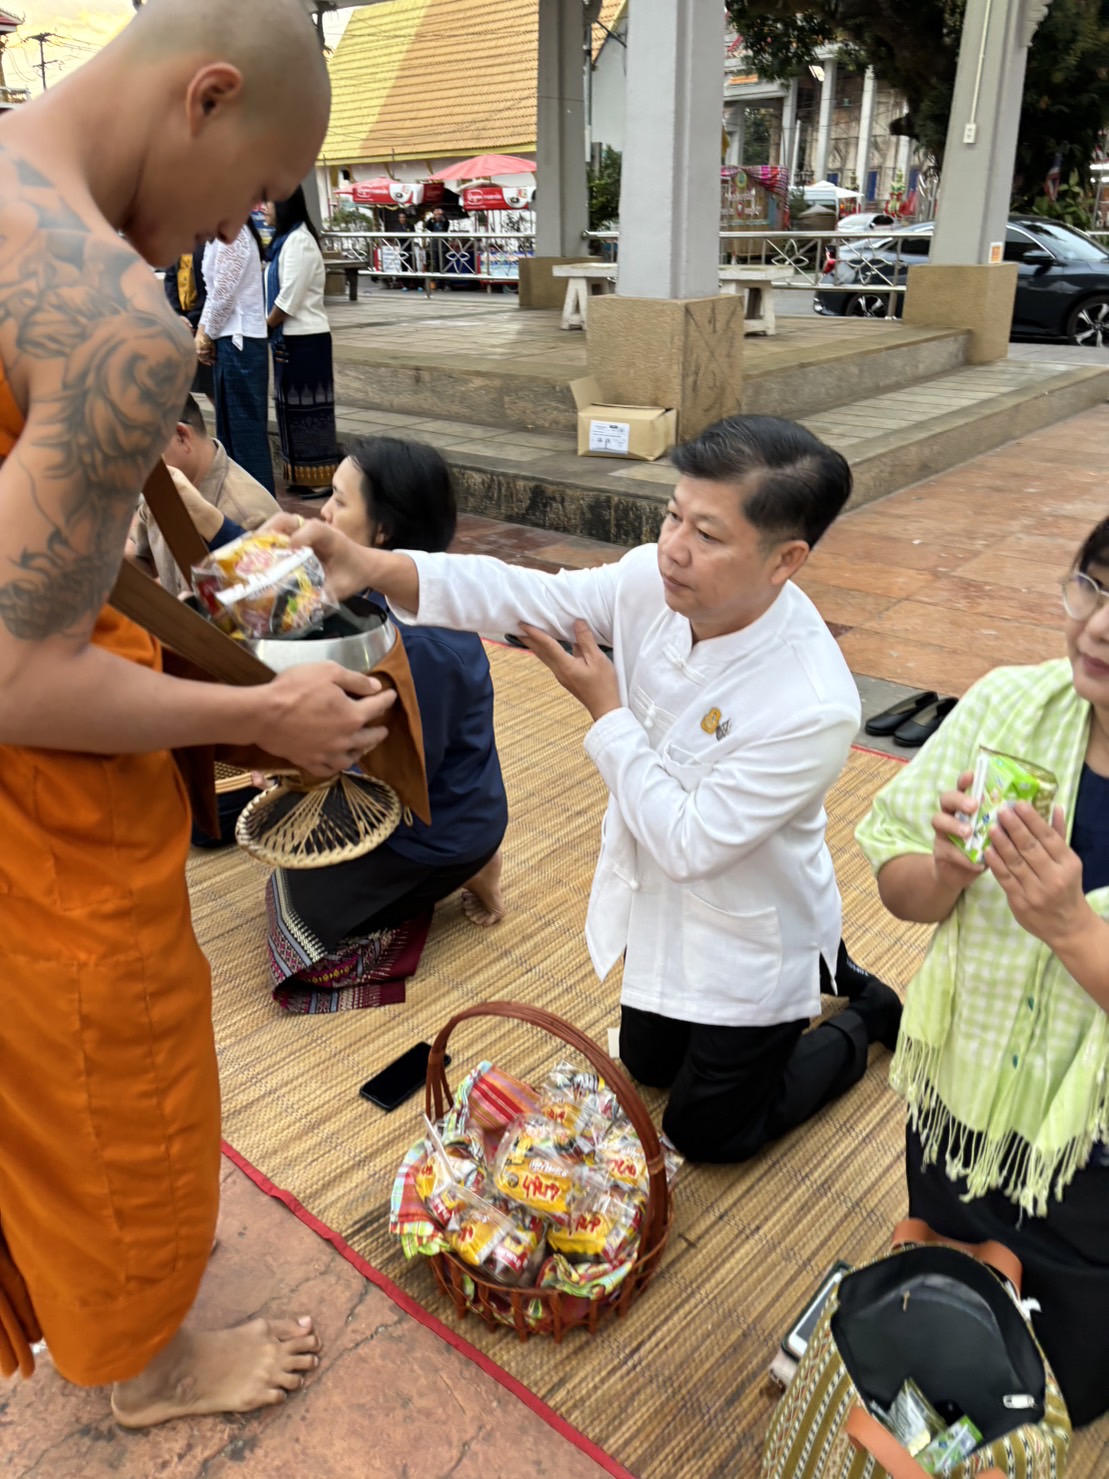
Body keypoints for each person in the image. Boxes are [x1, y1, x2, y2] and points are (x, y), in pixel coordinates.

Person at [0, 0, 398, 1428]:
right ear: (206, 98)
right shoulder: (103, 305)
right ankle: (143, 1365)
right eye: (241, 200)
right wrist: (268, 720)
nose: (223, 243)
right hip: (32, 802)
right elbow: (16, 673)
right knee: (117, 1051)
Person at [282, 415, 902, 1163]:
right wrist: (369, 565)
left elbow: (689, 842)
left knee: (713, 1132)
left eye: (706, 534)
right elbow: (523, 592)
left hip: (748, 921)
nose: (672, 547)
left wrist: (606, 712)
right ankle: (795, 1009)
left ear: (784, 559)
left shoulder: (811, 701)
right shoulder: (651, 579)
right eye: (673, 514)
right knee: (645, 1067)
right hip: (659, 902)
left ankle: (861, 1015)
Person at [856, 515, 1109, 1429]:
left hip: (1088, 1152)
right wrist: (946, 870)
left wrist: (1073, 930)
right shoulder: (1007, 705)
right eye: (1093, 585)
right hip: (958, 1102)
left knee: (1059, 1386)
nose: (1097, 627)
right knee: (942, 1319)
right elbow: (901, 888)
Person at [267, 436, 507, 995]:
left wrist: (300, 763)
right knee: (276, 848)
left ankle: (475, 866)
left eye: (340, 501)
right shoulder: (368, 593)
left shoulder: (425, 646)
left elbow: (405, 769)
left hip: (431, 826)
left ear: (382, 532)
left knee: (301, 941)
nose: (323, 512)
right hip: (389, 786)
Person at [128, 394, 280, 595]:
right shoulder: (163, 486)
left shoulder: (248, 513)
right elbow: (141, 557)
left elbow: (278, 606)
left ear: (181, 435)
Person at [263, 187, 340, 494]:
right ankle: (300, 474)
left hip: (305, 339)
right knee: (290, 408)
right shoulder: (283, 242)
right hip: (290, 339)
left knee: (310, 409)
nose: (264, 208)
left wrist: (265, 326)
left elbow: (289, 298)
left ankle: (319, 478)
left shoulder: (299, 241)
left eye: (269, 202)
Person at [196, 220, 275, 495]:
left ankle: (260, 512)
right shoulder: (222, 234)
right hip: (229, 339)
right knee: (230, 436)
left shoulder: (236, 233)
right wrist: (205, 333)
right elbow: (214, 293)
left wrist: (205, 335)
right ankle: (240, 509)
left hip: (240, 340)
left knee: (245, 437)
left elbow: (224, 293)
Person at [163, 239, 213, 399]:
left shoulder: (210, 244)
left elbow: (211, 289)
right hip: (182, 322)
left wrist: (192, 320)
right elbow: (170, 279)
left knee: (210, 388)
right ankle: (196, 425)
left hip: (204, 323)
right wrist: (177, 315)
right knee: (177, 389)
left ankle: (223, 424)